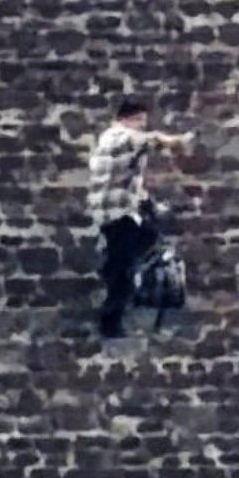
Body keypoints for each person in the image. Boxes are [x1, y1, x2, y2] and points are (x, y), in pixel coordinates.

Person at [88, 98, 193, 339]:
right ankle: (111, 323)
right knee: (125, 270)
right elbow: (149, 139)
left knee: (143, 243)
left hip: (115, 213)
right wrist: (176, 141)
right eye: (139, 121)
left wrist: (149, 203)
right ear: (126, 119)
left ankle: (114, 270)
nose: (142, 126)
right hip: (118, 215)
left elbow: (126, 180)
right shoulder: (119, 136)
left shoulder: (112, 143)